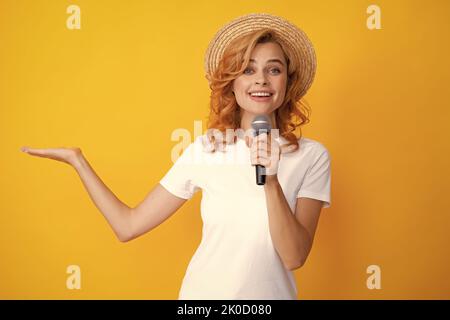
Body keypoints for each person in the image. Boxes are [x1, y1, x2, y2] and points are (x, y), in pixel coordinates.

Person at [20, 13, 331, 300]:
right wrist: (78, 162)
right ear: (232, 83)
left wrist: (271, 181)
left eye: (273, 69)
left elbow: (294, 257)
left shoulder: (311, 157)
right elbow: (127, 226)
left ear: (286, 82)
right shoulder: (207, 149)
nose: (261, 79)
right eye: (248, 69)